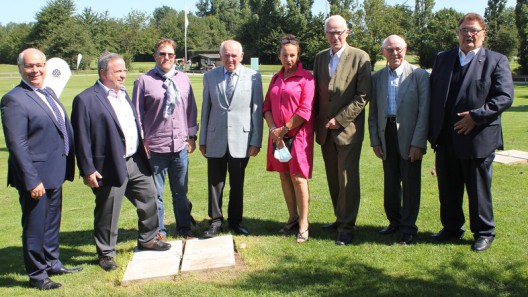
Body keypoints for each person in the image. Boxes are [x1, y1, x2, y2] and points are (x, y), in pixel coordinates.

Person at [71, 52, 171, 271]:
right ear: (102, 72)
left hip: (135, 160)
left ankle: (148, 239)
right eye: (117, 71)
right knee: (109, 210)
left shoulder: (123, 94)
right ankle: (106, 253)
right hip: (108, 166)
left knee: (150, 197)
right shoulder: (85, 99)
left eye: (124, 70)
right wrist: (87, 170)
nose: (123, 75)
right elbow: (81, 139)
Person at [428, 13, 514, 252]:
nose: (469, 34)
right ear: (458, 32)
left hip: (478, 138)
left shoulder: (496, 61)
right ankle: (452, 228)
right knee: (448, 189)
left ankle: (484, 232)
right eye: (465, 30)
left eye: (474, 30)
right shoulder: (443, 59)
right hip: (445, 138)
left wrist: (475, 117)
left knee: (478, 190)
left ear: (483, 34)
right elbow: (434, 95)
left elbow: (504, 97)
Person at [1, 48, 82, 290]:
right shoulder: (14, 99)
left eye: (39, 65)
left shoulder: (47, 93)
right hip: (35, 178)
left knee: (51, 223)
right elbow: (17, 145)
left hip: (54, 173)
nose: (35, 70)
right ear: (20, 69)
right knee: (35, 226)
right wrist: (31, 180)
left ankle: (52, 262)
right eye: (29, 66)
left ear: (46, 66)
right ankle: (37, 275)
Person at [313, 15, 371, 245]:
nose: (335, 36)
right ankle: (340, 218)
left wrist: (340, 120)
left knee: (347, 178)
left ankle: (347, 226)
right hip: (324, 130)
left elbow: (363, 96)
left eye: (339, 32)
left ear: (347, 32)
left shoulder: (360, 57)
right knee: (333, 178)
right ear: (325, 34)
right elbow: (316, 94)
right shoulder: (319, 58)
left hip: (348, 129)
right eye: (330, 32)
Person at [133, 38, 198, 240]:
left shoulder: (183, 79)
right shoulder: (143, 81)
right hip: (155, 147)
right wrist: (141, 142)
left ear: (175, 57)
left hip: (179, 146)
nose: (166, 57)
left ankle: (184, 228)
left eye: (170, 54)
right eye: (162, 53)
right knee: (156, 194)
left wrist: (192, 136)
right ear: (155, 56)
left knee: (181, 192)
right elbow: (137, 115)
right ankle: (159, 231)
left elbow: (191, 109)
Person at [368, 35, 430, 245]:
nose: (394, 53)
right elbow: (373, 112)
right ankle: (394, 222)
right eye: (389, 49)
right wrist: (375, 140)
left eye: (398, 49)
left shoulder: (419, 75)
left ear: (405, 49)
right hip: (387, 135)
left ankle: (408, 228)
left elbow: (424, 112)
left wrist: (418, 142)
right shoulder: (377, 78)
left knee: (411, 184)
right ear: (383, 52)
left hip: (410, 135)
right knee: (391, 182)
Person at [199, 40, 263, 238]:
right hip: (215, 138)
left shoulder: (254, 77)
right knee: (215, 182)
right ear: (220, 56)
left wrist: (256, 140)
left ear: (242, 56)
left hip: (241, 140)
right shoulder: (210, 76)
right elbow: (206, 108)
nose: (230, 59)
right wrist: (203, 139)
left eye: (234, 55)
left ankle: (236, 221)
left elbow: (256, 110)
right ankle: (216, 221)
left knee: (237, 183)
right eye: (226, 55)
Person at [263, 34, 315, 243]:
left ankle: (304, 223)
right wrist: (274, 130)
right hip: (278, 137)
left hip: (298, 137)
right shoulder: (276, 78)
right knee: (284, 175)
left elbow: (305, 110)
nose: (289, 59)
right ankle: (292, 217)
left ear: (298, 55)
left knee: (298, 178)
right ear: (279, 56)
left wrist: (283, 129)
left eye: (292, 55)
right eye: (285, 55)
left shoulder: (306, 78)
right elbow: (266, 106)